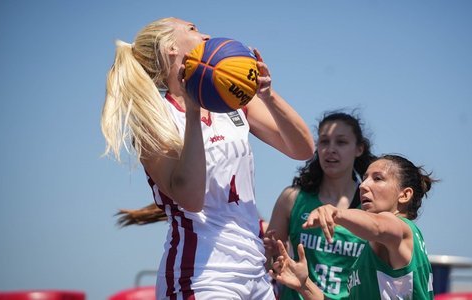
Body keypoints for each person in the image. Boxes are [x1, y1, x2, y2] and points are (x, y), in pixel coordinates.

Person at [101, 17, 314, 300]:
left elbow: (302, 149)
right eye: (192, 29)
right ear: (171, 48)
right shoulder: (156, 121)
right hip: (201, 272)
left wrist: (268, 95)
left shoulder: (232, 102)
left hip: (254, 268)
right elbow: (191, 198)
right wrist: (192, 111)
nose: (206, 35)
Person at [270, 154, 437, 300]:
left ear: (405, 195)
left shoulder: (400, 228)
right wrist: (304, 284)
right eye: (364, 178)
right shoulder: (368, 253)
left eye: (378, 178)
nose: (364, 185)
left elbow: (378, 225)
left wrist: (335, 213)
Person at [264, 111, 376, 299]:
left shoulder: (372, 207)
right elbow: (268, 266)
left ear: (359, 149)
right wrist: (272, 256)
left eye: (341, 142)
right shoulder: (291, 198)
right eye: (324, 142)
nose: (330, 149)